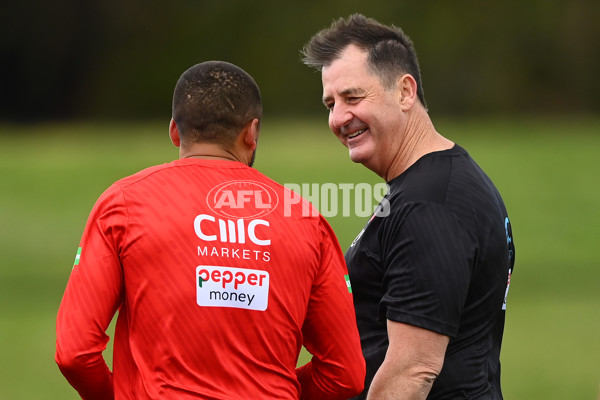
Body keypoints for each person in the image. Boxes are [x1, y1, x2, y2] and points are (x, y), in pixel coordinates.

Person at [55, 61, 365, 400]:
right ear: (253, 133)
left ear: (175, 130)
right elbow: (344, 373)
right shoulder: (306, 220)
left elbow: (75, 353)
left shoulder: (124, 204)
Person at [301, 14, 516, 400]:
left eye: (353, 97)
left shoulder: (429, 203)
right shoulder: (432, 184)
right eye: (330, 104)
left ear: (404, 92)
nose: (337, 118)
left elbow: (412, 372)